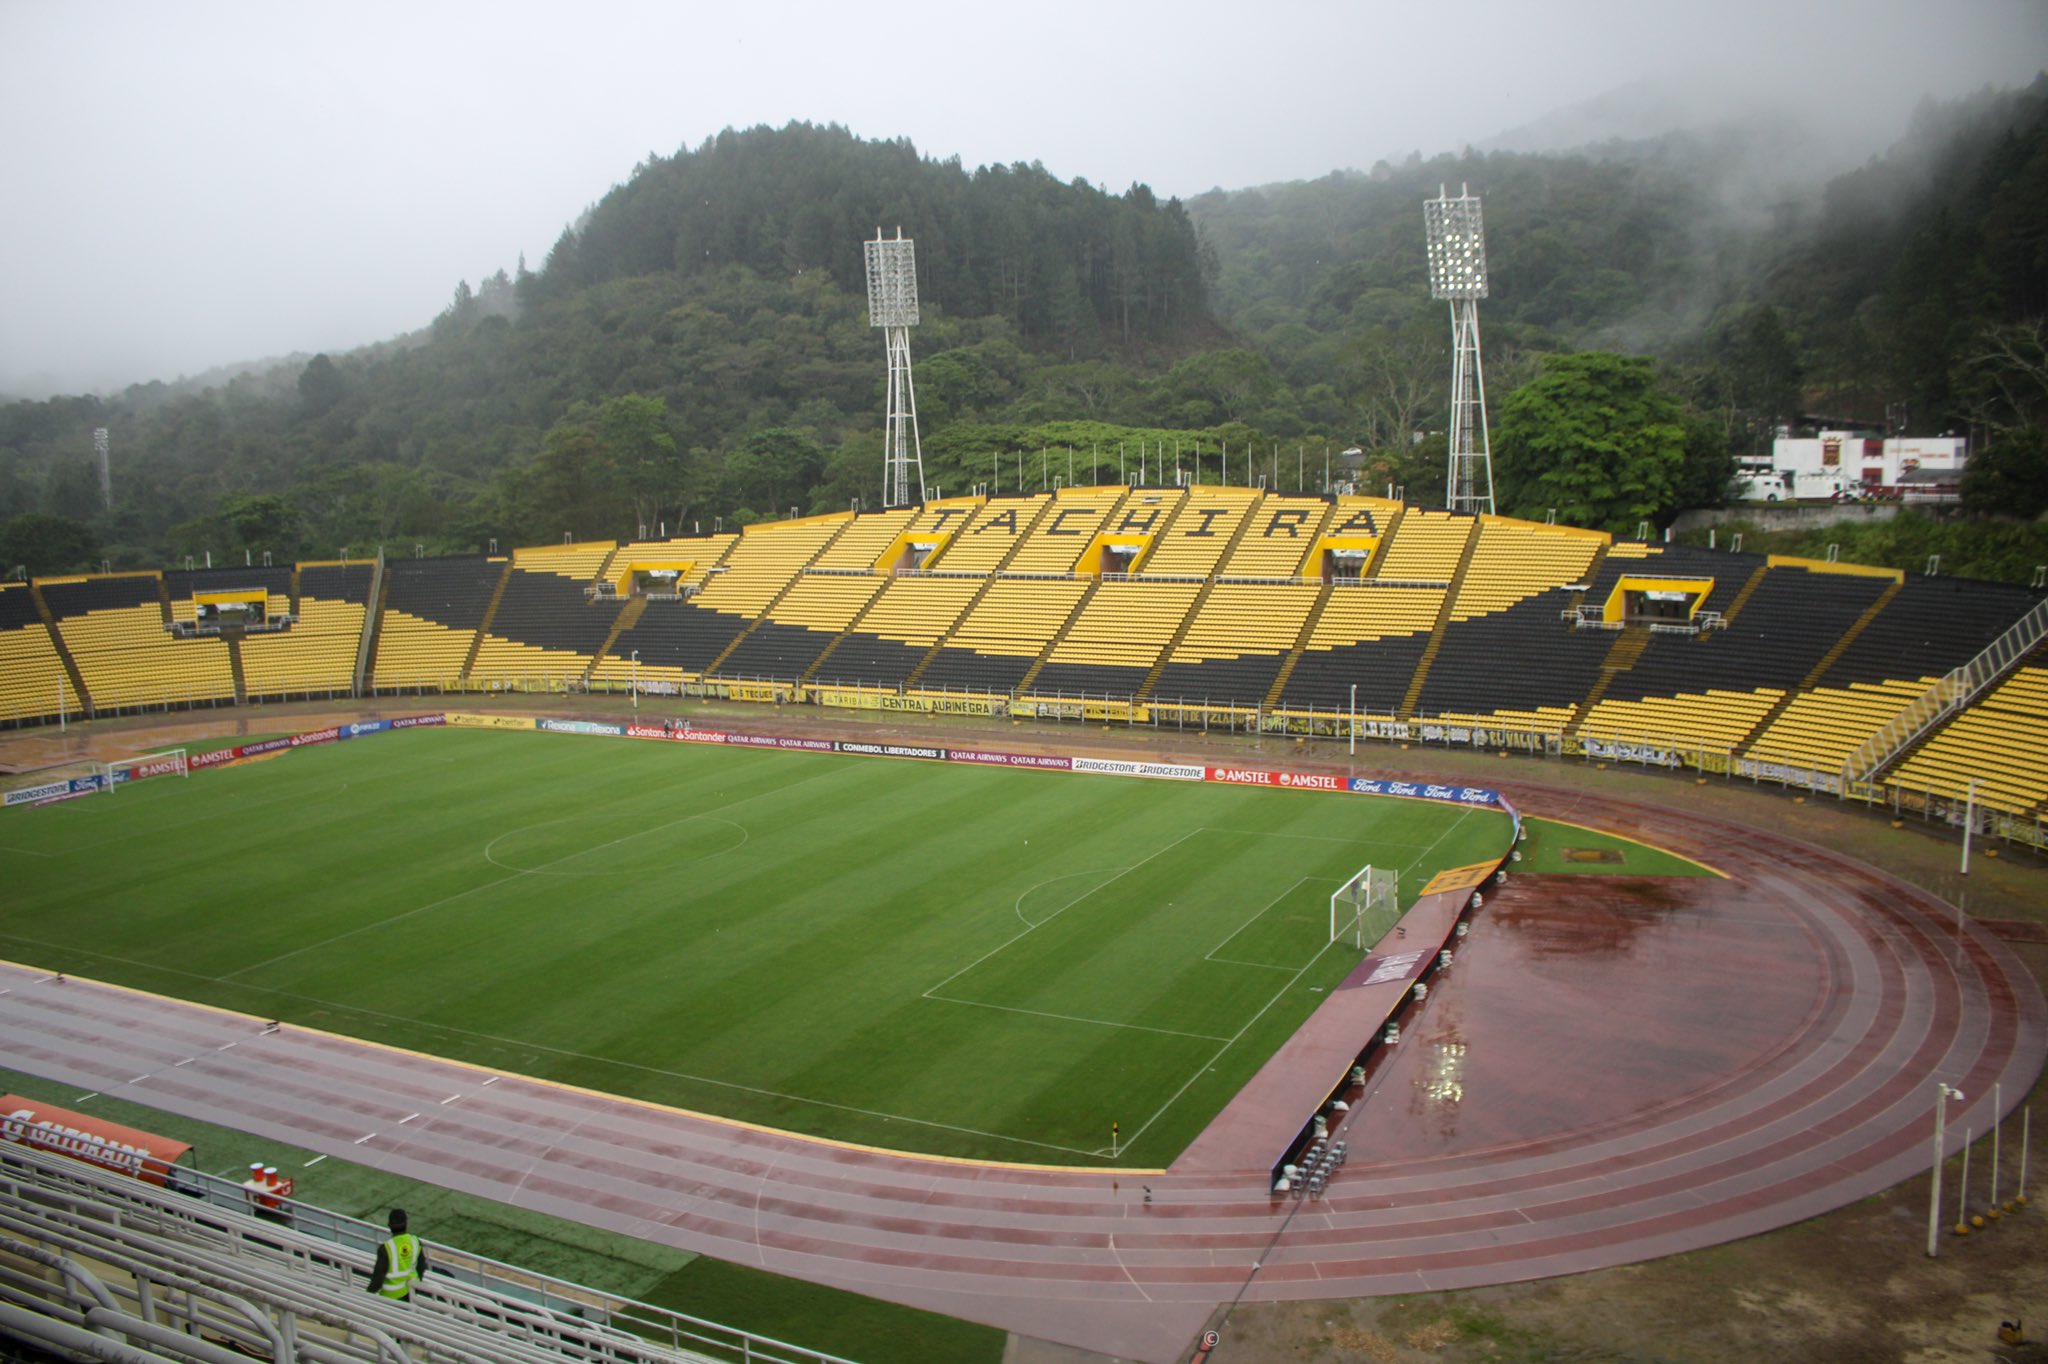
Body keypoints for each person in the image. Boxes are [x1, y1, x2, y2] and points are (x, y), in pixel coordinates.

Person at [366, 1208, 427, 1302]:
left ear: (389, 1225)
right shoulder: (415, 1241)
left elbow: (377, 1279)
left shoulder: (386, 1248)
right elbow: (422, 1267)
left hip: (390, 1297)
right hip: (412, 1292)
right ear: (406, 1223)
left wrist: (366, 1295)